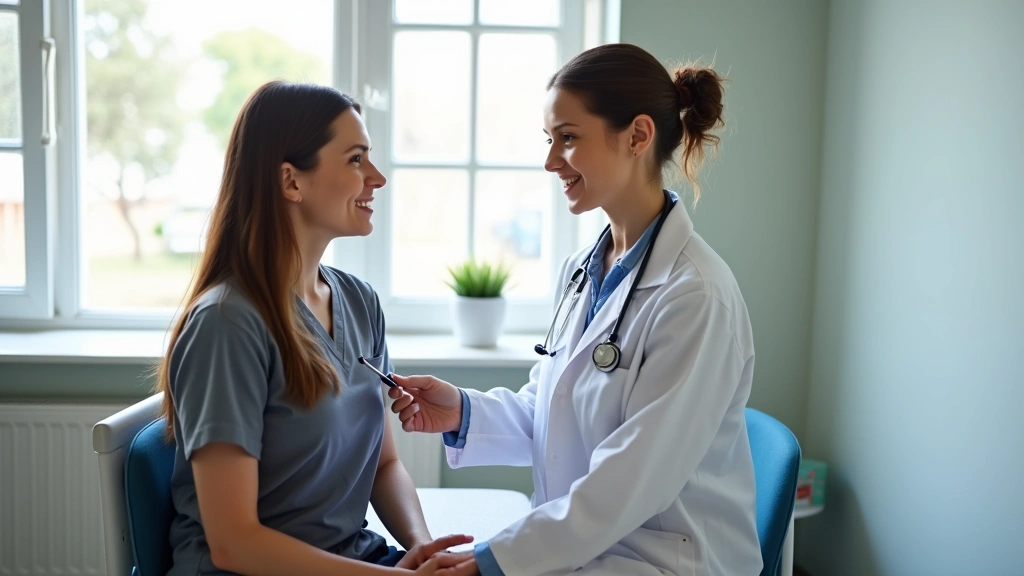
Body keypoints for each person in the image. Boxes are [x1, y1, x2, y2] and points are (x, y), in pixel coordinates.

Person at [388, 43, 763, 575]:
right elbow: (554, 406)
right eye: (549, 139)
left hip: (664, 559)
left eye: (568, 138)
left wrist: (489, 563)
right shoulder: (585, 269)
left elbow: (629, 483)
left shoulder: (695, 297)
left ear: (637, 136)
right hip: (592, 549)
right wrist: (463, 411)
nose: (549, 161)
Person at [155, 81, 476, 576]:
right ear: (291, 182)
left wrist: (423, 550)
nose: (377, 177)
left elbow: (385, 466)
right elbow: (234, 544)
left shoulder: (359, 301)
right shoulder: (226, 326)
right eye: (355, 159)